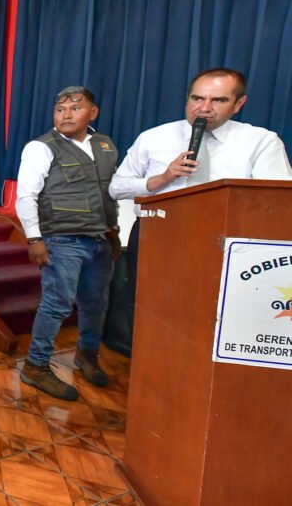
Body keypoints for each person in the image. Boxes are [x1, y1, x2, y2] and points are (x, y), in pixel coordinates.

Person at [107, 68, 291, 355]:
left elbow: (277, 201)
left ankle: (196, 374)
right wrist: (163, 178)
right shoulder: (155, 137)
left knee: (207, 312)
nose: (204, 108)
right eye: (197, 98)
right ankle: (149, 370)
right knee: (147, 307)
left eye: (217, 100)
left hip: (223, 241)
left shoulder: (261, 142)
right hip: (156, 236)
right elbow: (117, 188)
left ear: (238, 104)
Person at [15, 87, 120, 401]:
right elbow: (26, 197)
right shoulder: (41, 147)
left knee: (96, 303)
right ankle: (35, 365)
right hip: (62, 240)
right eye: (60, 109)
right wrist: (34, 238)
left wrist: (115, 232)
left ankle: (86, 355)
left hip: (101, 238)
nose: (66, 114)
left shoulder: (105, 145)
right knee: (57, 304)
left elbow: (111, 192)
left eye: (75, 108)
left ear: (93, 113)